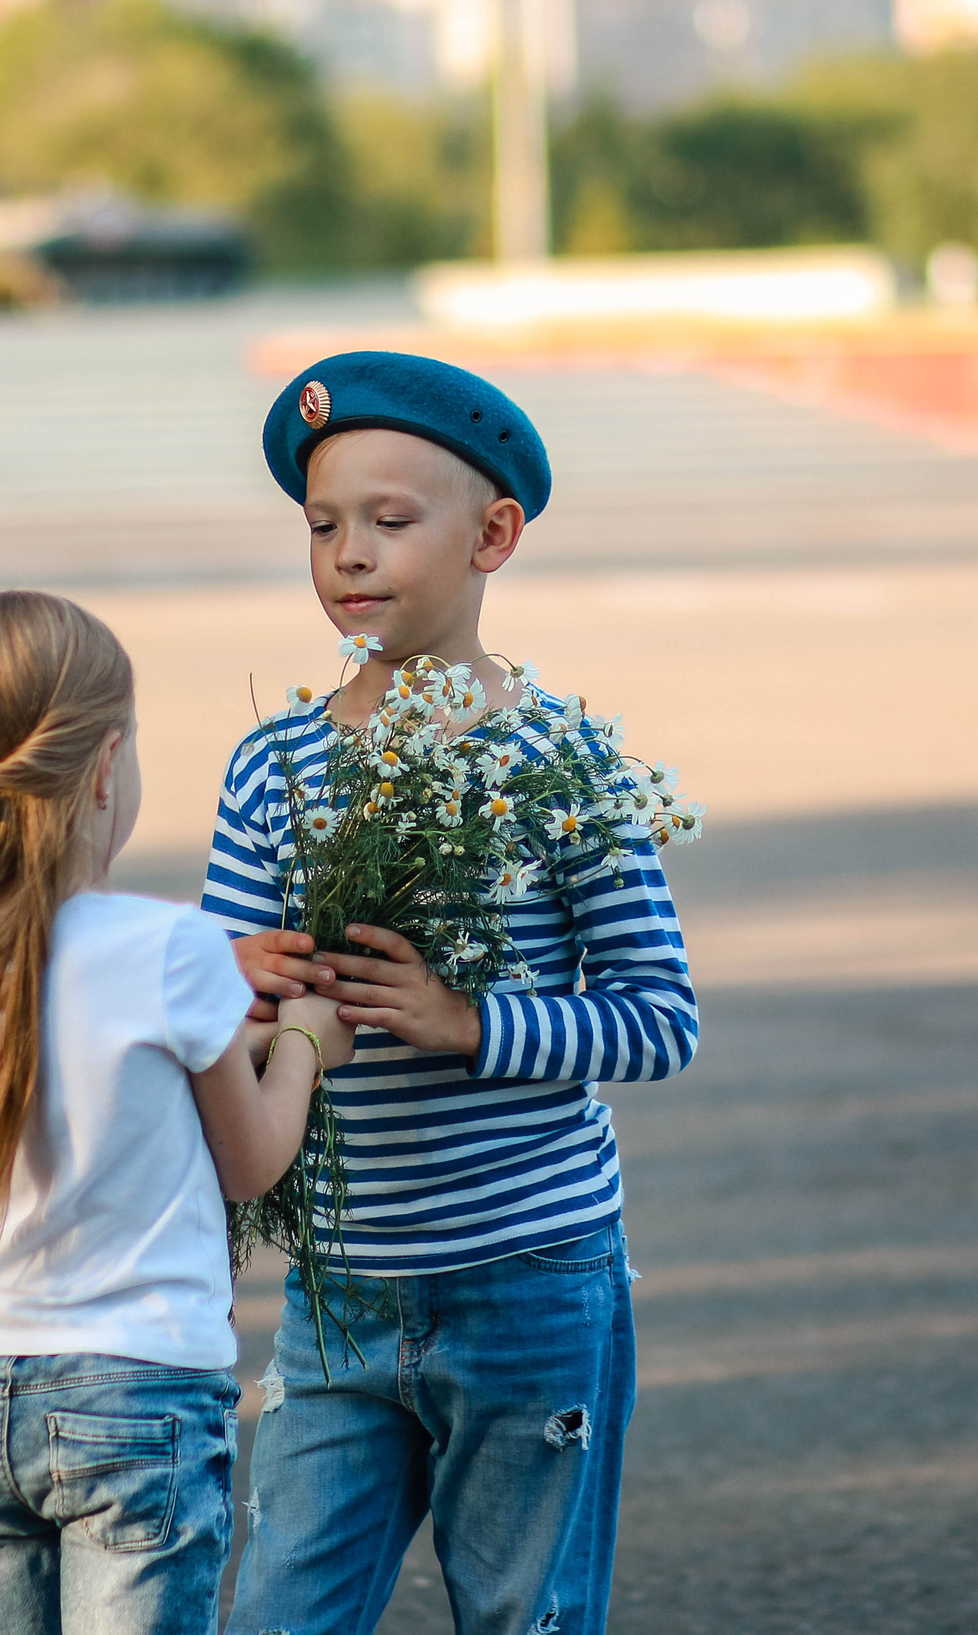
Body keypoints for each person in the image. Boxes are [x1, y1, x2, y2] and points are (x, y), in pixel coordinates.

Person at [206, 354, 701, 1635]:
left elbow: (658, 1017)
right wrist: (241, 982)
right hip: (338, 1291)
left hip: (530, 1281)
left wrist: (463, 1021)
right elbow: (214, 1028)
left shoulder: (562, 759)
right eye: (322, 526)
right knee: (277, 1616)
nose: (348, 557)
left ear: (492, 537)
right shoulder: (273, 766)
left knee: (528, 1616)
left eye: (389, 520)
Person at [0, 588, 355, 1635]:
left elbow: (58, 1019)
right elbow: (251, 1160)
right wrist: (309, 1043)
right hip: (138, 1396)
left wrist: (203, 992)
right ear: (104, 768)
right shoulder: (171, 950)